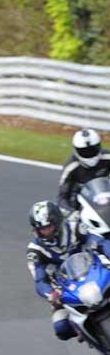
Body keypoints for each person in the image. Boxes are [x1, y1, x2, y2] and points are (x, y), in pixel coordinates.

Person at [26, 200, 85, 340]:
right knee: (61, 328)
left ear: (57, 222)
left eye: (49, 227)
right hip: (65, 290)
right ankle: (86, 334)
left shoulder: (76, 228)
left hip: (91, 273)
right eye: (41, 229)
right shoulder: (35, 251)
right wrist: (51, 295)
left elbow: (99, 241)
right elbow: (39, 280)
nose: (46, 232)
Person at [58, 129, 110, 214]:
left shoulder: (107, 157)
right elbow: (62, 197)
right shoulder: (71, 167)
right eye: (85, 151)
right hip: (82, 209)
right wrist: (72, 212)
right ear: (76, 150)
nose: (90, 154)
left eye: (93, 149)